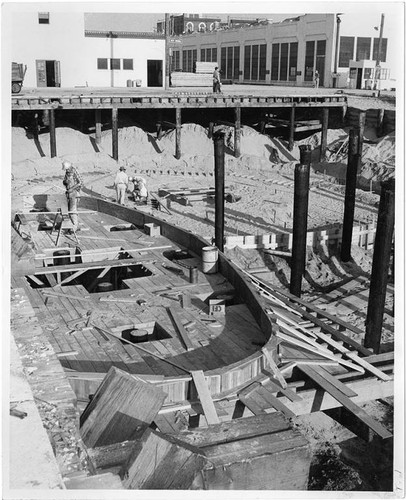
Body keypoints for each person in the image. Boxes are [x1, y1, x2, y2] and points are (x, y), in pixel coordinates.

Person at [62, 160, 83, 233]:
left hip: (74, 194)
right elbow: (65, 181)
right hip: (69, 194)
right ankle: (72, 225)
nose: (66, 170)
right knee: (70, 211)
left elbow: (80, 183)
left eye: (67, 169)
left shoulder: (74, 172)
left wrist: (71, 188)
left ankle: (74, 227)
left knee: (73, 211)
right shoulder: (67, 173)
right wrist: (65, 182)